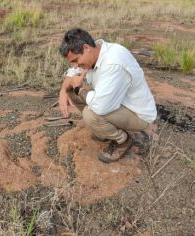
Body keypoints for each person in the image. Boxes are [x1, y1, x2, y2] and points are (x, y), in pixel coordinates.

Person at [58, 28, 157, 163]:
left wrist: (78, 89)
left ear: (86, 48)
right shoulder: (95, 52)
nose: (75, 66)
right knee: (70, 88)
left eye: (76, 60)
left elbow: (101, 107)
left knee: (91, 113)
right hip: (116, 102)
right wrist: (63, 91)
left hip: (138, 114)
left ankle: (123, 141)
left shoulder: (113, 62)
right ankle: (104, 129)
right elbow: (71, 73)